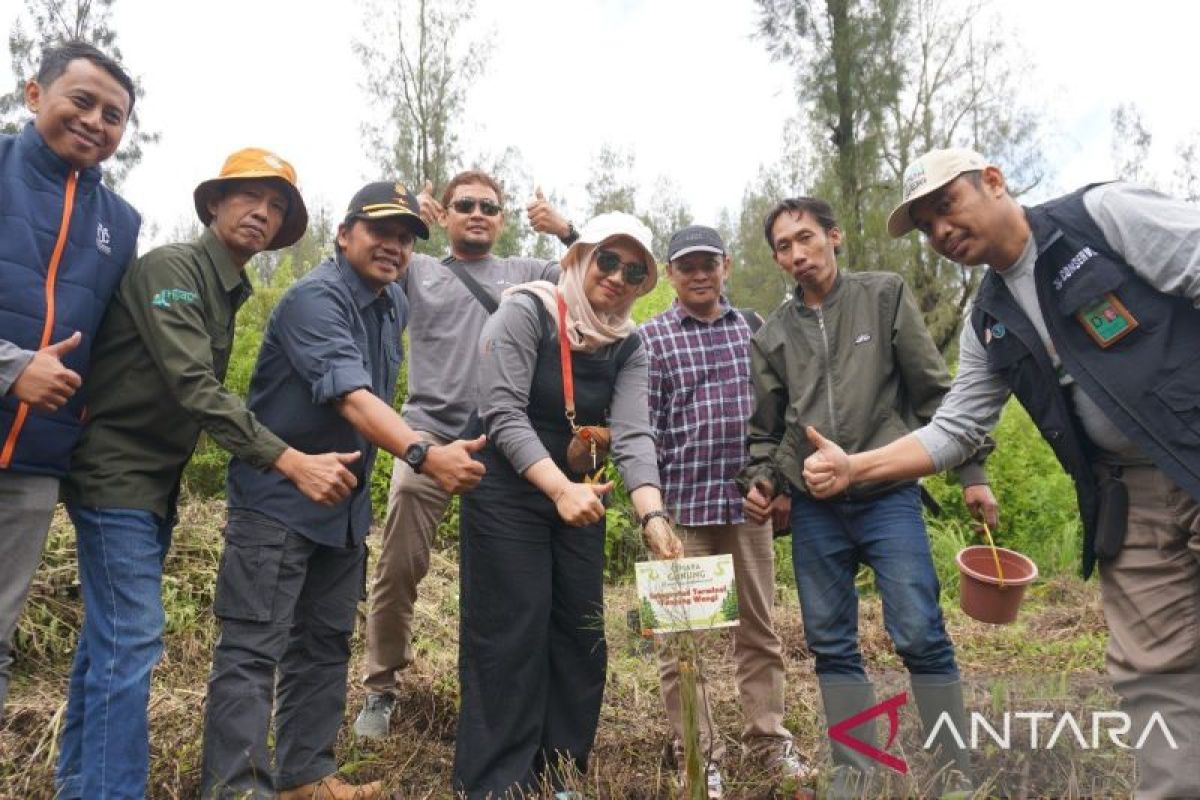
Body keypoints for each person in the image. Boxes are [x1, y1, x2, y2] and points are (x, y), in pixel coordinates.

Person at [802, 148, 1200, 798]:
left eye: (946, 206)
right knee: (1154, 671)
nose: (940, 231)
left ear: (994, 180)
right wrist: (854, 467)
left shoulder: (1102, 220)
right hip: (1130, 498)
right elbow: (956, 428)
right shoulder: (989, 320)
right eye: (927, 226)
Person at [56, 148, 355, 799]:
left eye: (276, 207)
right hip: (116, 481)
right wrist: (289, 459)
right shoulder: (175, 269)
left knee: (105, 649)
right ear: (214, 203)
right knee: (131, 643)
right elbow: (195, 387)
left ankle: (81, 784)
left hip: (150, 489)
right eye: (249, 197)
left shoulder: (226, 287)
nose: (262, 213)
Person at [198, 181, 486, 800]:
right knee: (253, 648)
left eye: (407, 237)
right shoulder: (314, 299)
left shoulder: (390, 307)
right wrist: (423, 453)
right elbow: (354, 398)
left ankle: (306, 774)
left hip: (342, 511)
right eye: (381, 231)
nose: (394, 246)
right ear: (344, 233)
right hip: (278, 503)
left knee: (324, 644)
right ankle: (238, 788)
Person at [739, 196, 996, 796]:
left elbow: (936, 393)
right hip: (816, 508)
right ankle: (855, 769)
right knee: (830, 644)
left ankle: (953, 767)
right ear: (777, 259)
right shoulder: (774, 335)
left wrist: (973, 472)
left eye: (806, 237)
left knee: (919, 634)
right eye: (784, 246)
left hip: (887, 494)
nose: (798, 253)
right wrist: (764, 483)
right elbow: (770, 430)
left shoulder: (884, 296)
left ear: (835, 237)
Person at [453, 212, 683, 798]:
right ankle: (497, 781)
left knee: (580, 633)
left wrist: (653, 516)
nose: (618, 277)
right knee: (512, 632)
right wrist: (558, 488)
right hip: (511, 491)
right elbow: (501, 412)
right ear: (579, 257)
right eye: (607, 259)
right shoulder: (527, 310)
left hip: (584, 495)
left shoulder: (629, 343)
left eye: (634, 271)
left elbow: (632, 434)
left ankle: (559, 773)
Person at [355, 170, 577, 737]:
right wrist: (407, 220)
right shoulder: (419, 269)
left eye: (489, 206)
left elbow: (592, 278)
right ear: (446, 215)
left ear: (502, 219)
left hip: (507, 445)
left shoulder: (525, 272)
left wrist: (565, 230)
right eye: (464, 205)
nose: (477, 213)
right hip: (426, 441)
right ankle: (380, 688)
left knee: (509, 582)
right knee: (398, 567)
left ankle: (494, 693)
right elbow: (365, 264)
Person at [638, 225, 810, 798]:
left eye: (708, 263)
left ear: (726, 266)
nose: (699, 274)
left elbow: (782, 415)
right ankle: (699, 755)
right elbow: (645, 430)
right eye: (686, 266)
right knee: (682, 644)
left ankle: (768, 742)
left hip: (747, 510)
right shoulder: (652, 338)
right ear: (671, 275)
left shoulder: (755, 330)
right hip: (680, 514)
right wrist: (653, 511)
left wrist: (780, 483)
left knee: (759, 632)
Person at [0, 40, 139, 716]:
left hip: (34, 465)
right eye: (81, 101)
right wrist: (12, 369)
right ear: (35, 95)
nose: (95, 122)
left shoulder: (120, 222)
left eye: (113, 116)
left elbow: (114, 348)